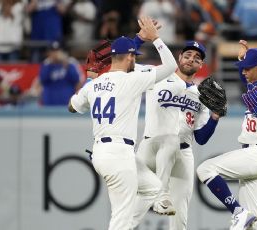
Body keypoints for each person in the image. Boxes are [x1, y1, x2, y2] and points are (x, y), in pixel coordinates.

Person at [67, 16, 177, 230]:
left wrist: (90, 79)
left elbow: (72, 107)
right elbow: (171, 66)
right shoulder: (132, 79)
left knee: (153, 187)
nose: (135, 59)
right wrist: (155, 39)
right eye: (134, 56)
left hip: (104, 151)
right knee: (121, 218)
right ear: (129, 58)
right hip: (118, 153)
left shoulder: (94, 84)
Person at [196, 40, 257, 230]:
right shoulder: (256, 85)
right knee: (252, 226)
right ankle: (243, 215)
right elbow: (245, 78)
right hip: (256, 156)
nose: (243, 72)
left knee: (205, 169)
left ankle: (238, 212)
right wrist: (243, 58)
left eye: (247, 68)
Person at [132, 41, 221, 230]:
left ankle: (162, 198)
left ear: (201, 66)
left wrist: (215, 117)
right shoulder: (158, 75)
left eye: (197, 58)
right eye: (188, 55)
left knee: (180, 213)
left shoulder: (201, 95)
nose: (191, 60)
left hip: (183, 153)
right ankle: (159, 197)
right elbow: (126, 63)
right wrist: (142, 39)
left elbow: (201, 138)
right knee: (135, 207)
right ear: (179, 58)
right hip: (152, 147)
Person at [39, 41, 82, 106]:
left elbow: (76, 80)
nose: (55, 54)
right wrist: (51, 63)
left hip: (66, 103)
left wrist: (65, 63)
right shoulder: (46, 64)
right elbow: (43, 80)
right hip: (49, 104)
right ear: (49, 53)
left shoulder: (70, 64)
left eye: (57, 51)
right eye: (53, 51)